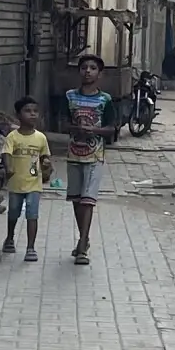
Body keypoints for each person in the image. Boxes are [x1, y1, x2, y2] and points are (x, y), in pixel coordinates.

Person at [62, 52, 119, 266]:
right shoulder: (69, 97)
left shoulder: (105, 100)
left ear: (100, 74)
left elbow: (112, 128)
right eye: (84, 67)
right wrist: (76, 129)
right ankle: (82, 240)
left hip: (95, 156)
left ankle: (83, 243)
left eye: (93, 68)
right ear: (79, 71)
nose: (88, 71)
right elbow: (62, 123)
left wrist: (94, 130)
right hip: (74, 153)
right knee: (77, 200)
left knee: (88, 200)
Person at [2, 96, 52, 262]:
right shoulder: (13, 137)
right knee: (14, 212)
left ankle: (30, 248)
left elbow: (45, 157)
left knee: (32, 214)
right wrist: (8, 168)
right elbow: (6, 154)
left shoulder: (41, 138)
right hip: (16, 182)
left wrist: (46, 166)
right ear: (18, 115)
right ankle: (10, 237)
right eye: (28, 111)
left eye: (35, 111)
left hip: (34, 183)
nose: (32, 115)